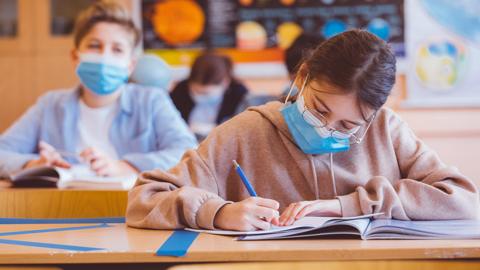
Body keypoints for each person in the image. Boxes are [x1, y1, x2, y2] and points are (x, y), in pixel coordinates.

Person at [126, 30, 479, 231]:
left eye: (347, 125)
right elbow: (145, 198)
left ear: (373, 115)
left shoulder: (386, 130)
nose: (326, 128)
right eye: (319, 109)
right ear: (302, 75)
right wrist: (216, 212)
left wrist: (345, 207)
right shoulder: (244, 132)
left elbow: (463, 199)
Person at [0, 1, 197, 178]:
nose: (105, 57)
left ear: (130, 65)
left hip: (131, 210)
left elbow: (189, 154)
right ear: (75, 57)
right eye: (95, 46)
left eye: (117, 49)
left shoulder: (151, 101)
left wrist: (125, 166)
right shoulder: (50, 105)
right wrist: (33, 164)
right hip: (62, 208)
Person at [170, 52, 249, 140]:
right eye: (197, 92)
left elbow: (244, 132)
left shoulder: (240, 96)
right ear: (190, 82)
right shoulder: (180, 91)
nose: (202, 97)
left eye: (207, 93)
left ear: (225, 83)